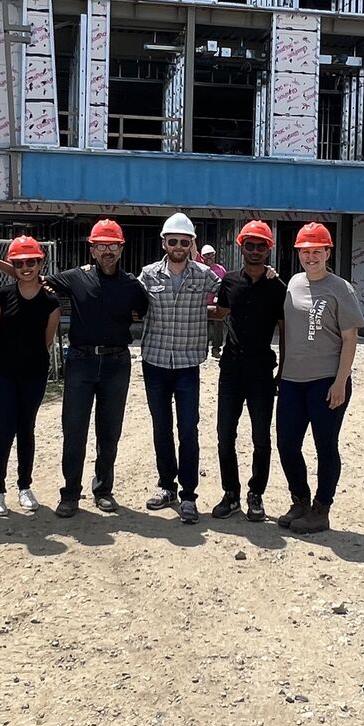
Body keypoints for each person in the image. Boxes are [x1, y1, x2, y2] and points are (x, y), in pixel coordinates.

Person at [45, 220, 148, 517]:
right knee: (74, 429)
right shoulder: (75, 278)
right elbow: (37, 281)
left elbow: (143, 309)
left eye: (112, 246)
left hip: (117, 363)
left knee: (109, 432)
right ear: (92, 249)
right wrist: (5, 267)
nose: (107, 251)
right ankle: (70, 494)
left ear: (121, 249)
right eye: (101, 246)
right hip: (81, 361)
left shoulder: (131, 285)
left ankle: (103, 490)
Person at [276, 222, 364, 535]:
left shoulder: (340, 288)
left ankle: (320, 509)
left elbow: (350, 338)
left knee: (325, 446)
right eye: (305, 251)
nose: (311, 256)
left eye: (317, 251)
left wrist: (341, 381)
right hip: (291, 380)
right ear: (298, 253)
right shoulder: (293, 283)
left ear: (328, 252)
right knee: (287, 444)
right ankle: (299, 500)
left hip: (327, 380)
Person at [138, 212, 221, 524]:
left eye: (184, 242)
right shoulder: (147, 275)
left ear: (191, 244)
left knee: (188, 430)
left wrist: (266, 274)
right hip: (155, 363)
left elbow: (232, 291)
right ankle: (166, 487)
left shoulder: (205, 276)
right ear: (164, 243)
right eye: (172, 241)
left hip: (188, 364)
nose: (178, 246)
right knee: (161, 428)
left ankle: (188, 495)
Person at [210, 221, 286, 523]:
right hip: (230, 368)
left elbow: (285, 330)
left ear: (269, 249)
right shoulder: (228, 282)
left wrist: (284, 370)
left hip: (261, 371)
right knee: (224, 435)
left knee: (260, 438)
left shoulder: (278, 287)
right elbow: (220, 312)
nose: (255, 251)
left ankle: (256, 495)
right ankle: (231, 494)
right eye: (250, 245)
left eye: (261, 246)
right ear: (241, 247)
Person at [0, 236, 61, 516]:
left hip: (33, 373)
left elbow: (47, 341)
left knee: (26, 428)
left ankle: (25, 487)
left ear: (41, 262)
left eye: (32, 262)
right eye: (19, 263)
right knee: (5, 429)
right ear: (13, 265)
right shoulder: (1, 297)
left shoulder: (51, 302)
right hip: (1, 372)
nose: (26, 267)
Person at [200, 244, 227, 358]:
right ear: (202, 257)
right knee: (202, 330)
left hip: (216, 305)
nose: (209, 257)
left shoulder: (220, 269)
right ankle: (203, 350)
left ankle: (216, 349)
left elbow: (225, 285)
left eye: (211, 255)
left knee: (218, 329)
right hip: (202, 305)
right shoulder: (199, 269)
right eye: (206, 255)